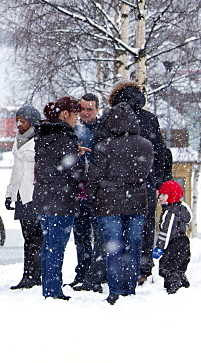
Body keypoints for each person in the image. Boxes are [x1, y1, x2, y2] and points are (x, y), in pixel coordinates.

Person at [87, 102, 154, 305]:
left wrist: (92, 196)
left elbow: (94, 175)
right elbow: (145, 173)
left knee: (114, 249)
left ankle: (115, 290)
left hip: (109, 202)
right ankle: (129, 288)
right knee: (133, 247)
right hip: (137, 200)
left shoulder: (104, 146)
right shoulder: (145, 145)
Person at [107, 80, 172, 284]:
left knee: (116, 229)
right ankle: (141, 268)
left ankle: (116, 271)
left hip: (115, 185)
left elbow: (102, 152)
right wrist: (158, 182)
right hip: (145, 183)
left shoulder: (110, 118)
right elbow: (162, 153)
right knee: (143, 227)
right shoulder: (149, 119)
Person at [33, 96, 84, 300]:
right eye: (75, 115)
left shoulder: (44, 135)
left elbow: (51, 163)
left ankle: (49, 286)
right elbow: (74, 171)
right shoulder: (65, 137)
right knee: (56, 246)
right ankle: (53, 291)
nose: (77, 120)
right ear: (65, 114)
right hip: (61, 199)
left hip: (44, 197)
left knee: (48, 245)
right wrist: (79, 158)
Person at [6, 104, 43, 290]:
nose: (18, 124)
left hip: (35, 195)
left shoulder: (41, 140)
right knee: (27, 238)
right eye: (17, 120)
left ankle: (35, 274)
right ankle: (29, 274)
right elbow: (16, 170)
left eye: (22, 121)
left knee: (37, 238)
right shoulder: (18, 140)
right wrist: (9, 194)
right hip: (21, 195)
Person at [71, 92, 105, 292]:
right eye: (82, 109)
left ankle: (97, 274)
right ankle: (82, 271)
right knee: (81, 235)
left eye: (89, 109)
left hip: (98, 192)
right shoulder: (75, 129)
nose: (85, 113)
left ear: (97, 110)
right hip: (78, 192)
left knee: (100, 235)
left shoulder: (103, 130)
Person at [154, 180, 191, 294]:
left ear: (172, 197)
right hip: (183, 242)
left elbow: (167, 232)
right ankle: (182, 283)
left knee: (167, 267)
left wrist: (160, 247)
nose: (160, 197)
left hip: (174, 243)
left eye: (164, 195)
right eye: (160, 194)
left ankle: (173, 288)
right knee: (179, 265)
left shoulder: (171, 212)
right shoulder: (180, 209)